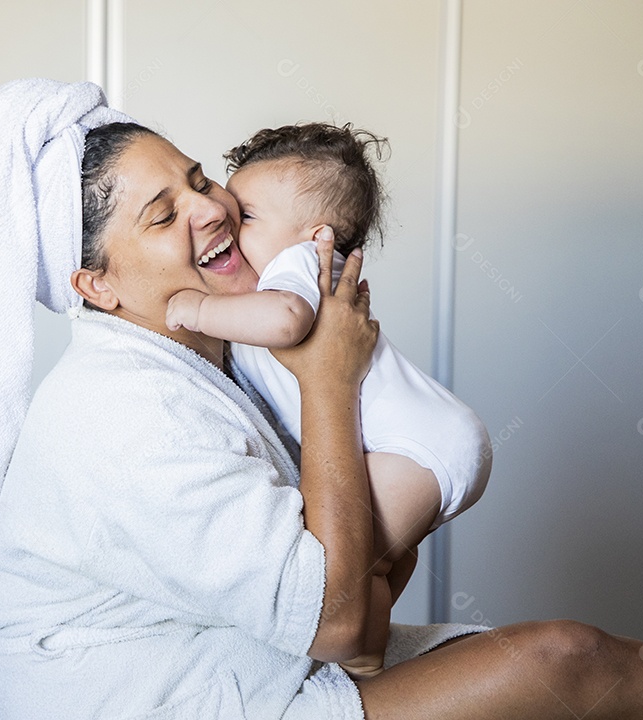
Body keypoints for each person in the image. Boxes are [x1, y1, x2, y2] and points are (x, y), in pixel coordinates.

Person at [0, 80, 643, 719]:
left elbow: (356, 585)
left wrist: (366, 578)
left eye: (202, 178)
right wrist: (331, 382)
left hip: (245, 657)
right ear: (96, 285)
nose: (213, 209)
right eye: (163, 214)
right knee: (569, 661)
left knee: (567, 659)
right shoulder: (121, 413)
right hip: (151, 699)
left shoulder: (215, 357)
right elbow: (345, 631)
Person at [165, 122, 492, 680]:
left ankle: (362, 658)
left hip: (415, 448)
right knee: (375, 556)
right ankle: (368, 637)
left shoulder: (296, 267)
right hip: (423, 444)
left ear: (314, 234)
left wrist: (191, 309)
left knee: (348, 568)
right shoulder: (290, 269)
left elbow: (287, 321)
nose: (227, 221)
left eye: (246, 216)